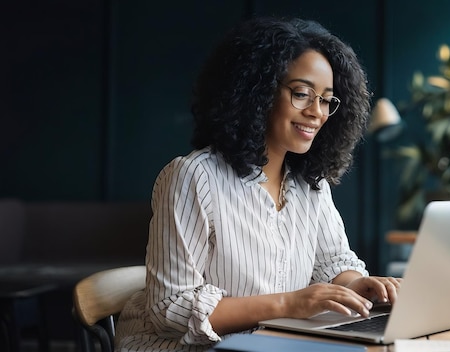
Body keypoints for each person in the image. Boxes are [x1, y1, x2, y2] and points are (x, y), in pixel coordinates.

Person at [114, 16, 401, 351]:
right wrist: (288, 304)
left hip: (267, 343)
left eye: (326, 100)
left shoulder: (311, 185)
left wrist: (360, 285)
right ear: (258, 91)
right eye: (302, 93)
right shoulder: (194, 177)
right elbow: (171, 309)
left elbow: (333, 264)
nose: (317, 112)